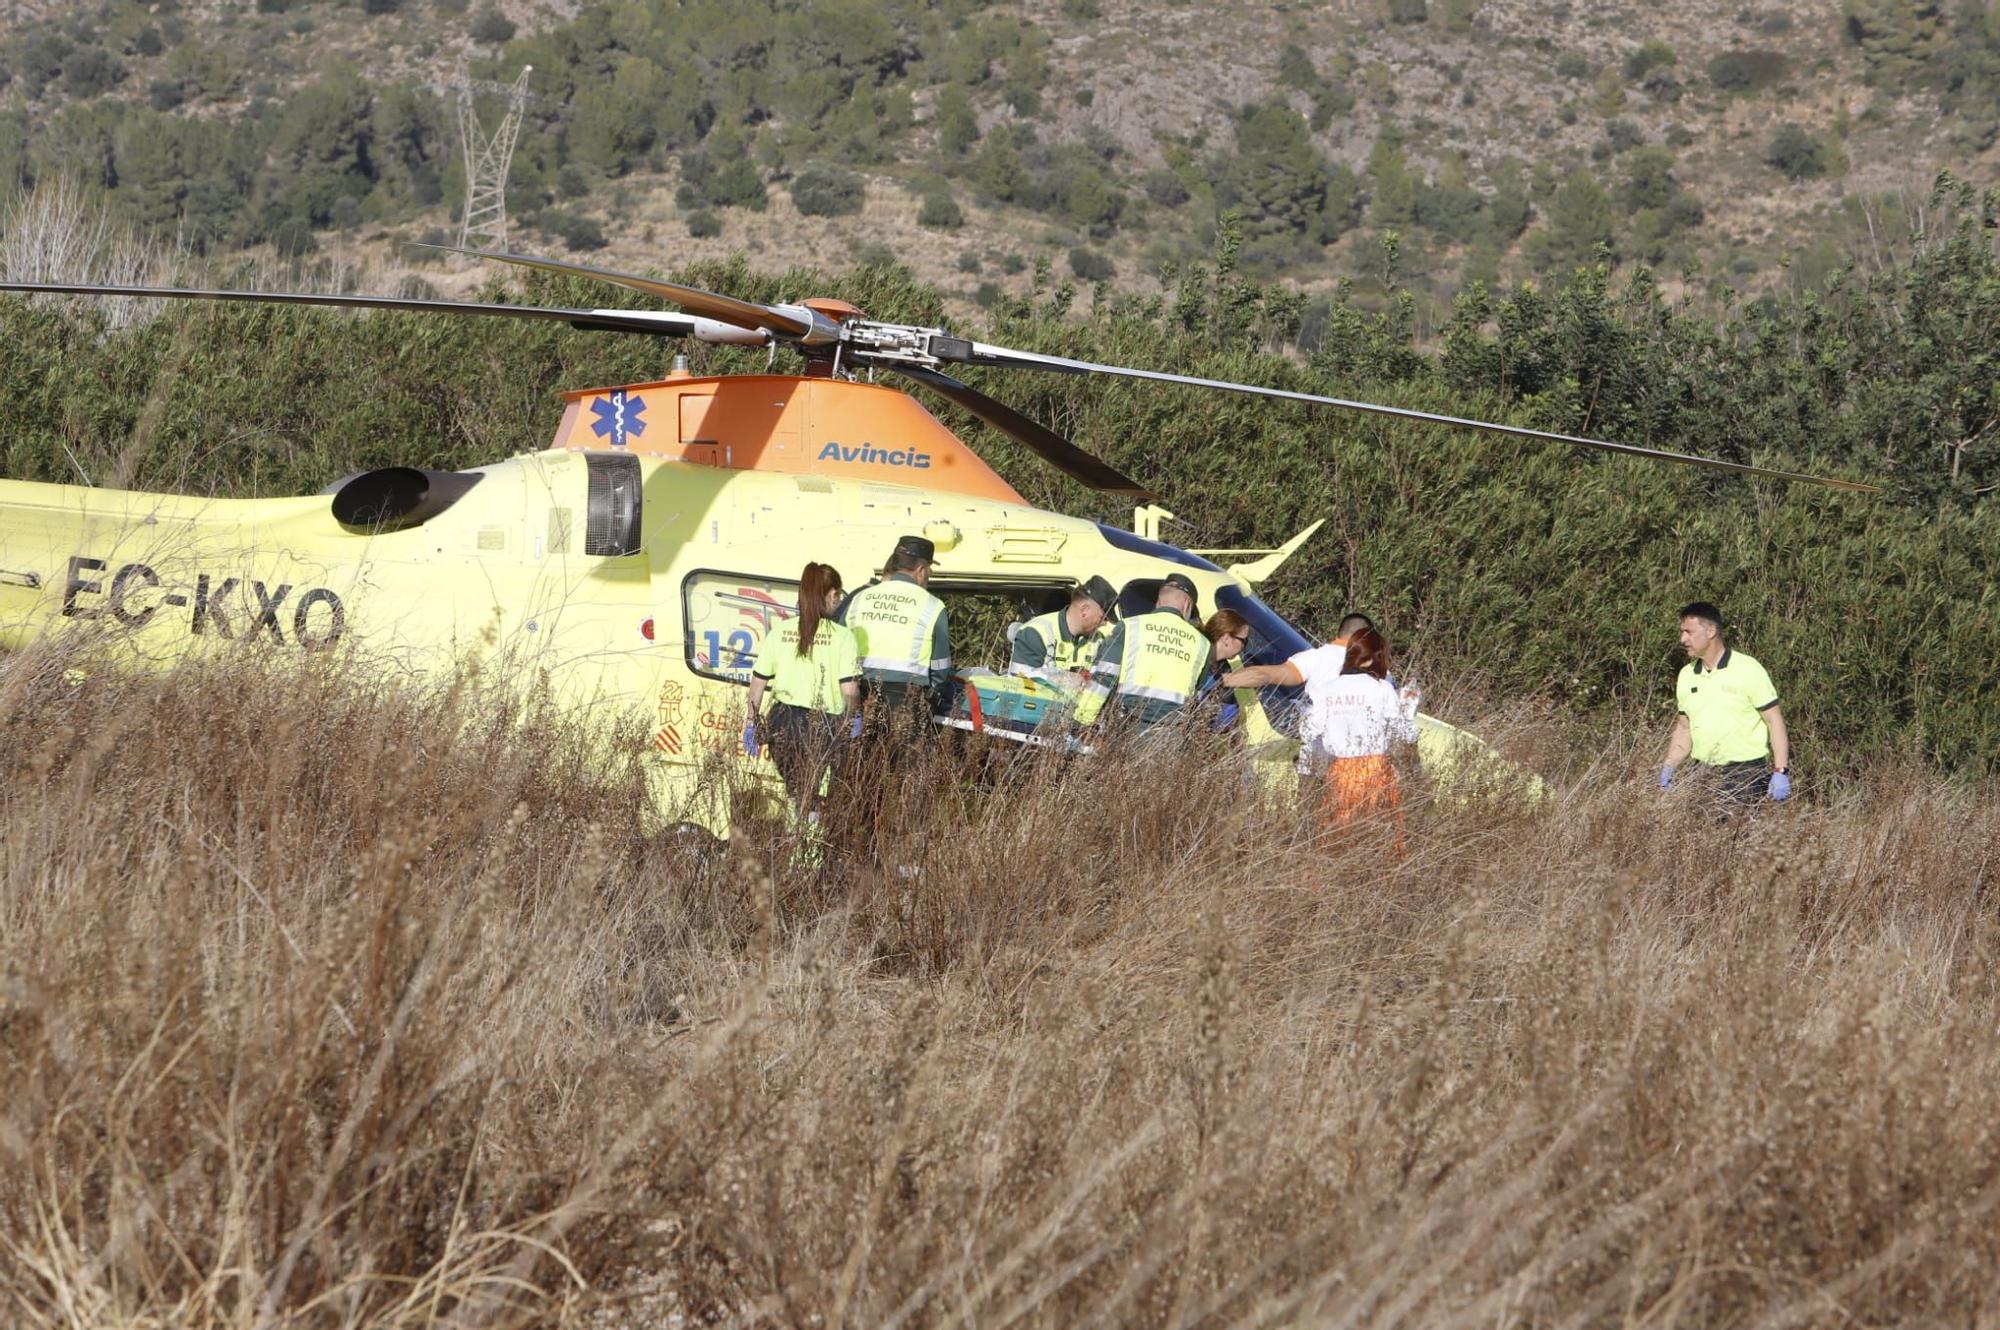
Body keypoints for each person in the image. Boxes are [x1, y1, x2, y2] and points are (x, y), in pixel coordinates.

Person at [1223, 625, 1419, 834]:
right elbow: (1403, 732)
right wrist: (1407, 712)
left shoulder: (1327, 688)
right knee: (1378, 835)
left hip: (1338, 771)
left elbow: (1308, 731)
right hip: (1375, 770)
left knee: (1336, 833)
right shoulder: (1382, 688)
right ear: (1371, 658)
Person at [745, 562, 860, 821]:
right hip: (824, 729)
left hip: (782, 726)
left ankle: (795, 855)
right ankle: (810, 858)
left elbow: (758, 683)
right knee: (819, 805)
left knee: (798, 798)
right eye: (838, 596)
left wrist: (751, 724)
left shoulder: (781, 631)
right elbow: (850, 690)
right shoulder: (843, 637)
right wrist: (855, 715)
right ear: (832, 595)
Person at [1660, 601, 1790, 805]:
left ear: (1710, 631)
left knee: (1736, 835)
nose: (1682, 639)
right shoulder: (1686, 675)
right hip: (1701, 772)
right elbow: (1684, 728)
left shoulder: (1748, 669)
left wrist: (1780, 771)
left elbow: (1774, 721)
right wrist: (1669, 766)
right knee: (1700, 834)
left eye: (1689, 632)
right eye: (1682, 632)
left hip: (1745, 774)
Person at [1073, 572, 1210, 731]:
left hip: (1125, 726)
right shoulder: (1202, 643)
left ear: (1158, 601)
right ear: (1187, 605)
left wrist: (1081, 722)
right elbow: (1197, 699)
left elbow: (1104, 678)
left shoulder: (1130, 627)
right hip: (1171, 734)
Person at [839, 535, 952, 720]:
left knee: (861, 749)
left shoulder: (860, 598)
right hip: (907, 698)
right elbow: (940, 667)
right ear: (921, 570)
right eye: (929, 570)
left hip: (860, 693)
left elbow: (838, 645)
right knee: (898, 750)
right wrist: (933, 693)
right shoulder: (933, 605)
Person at [1009, 574, 1117, 680]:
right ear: (1084, 610)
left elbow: (1099, 684)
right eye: (1103, 618)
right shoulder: (1036, 632)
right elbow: (1020, 682)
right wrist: (1065, 679)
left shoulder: (1098, 641)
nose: (1104, 624)